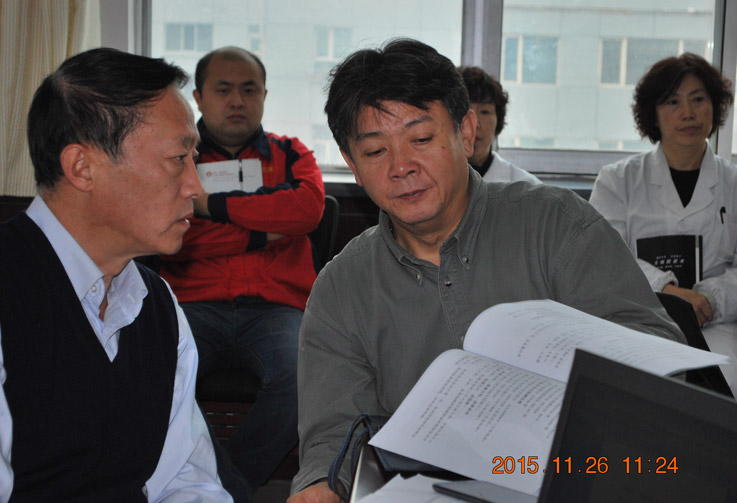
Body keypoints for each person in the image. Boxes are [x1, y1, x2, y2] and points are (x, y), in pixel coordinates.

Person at [288, 38, 684, 503]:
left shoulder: (556, 226)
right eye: (375, 151)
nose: (401, 167)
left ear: (467, 132)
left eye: (421, 139)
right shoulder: (341, 289)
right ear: (352, 165)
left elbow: (658, 359)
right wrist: (321, 484)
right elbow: (335, 435)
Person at [0, 48, 231, 502]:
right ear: (82, 167)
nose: (195, 186)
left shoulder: (157, 304)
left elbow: (187, 480)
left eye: (194, 158)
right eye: (177, 158)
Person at [159, 46, 325, 493]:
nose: (237, 101)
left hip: (279, 309)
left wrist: (209, 206)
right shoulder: (175, 159)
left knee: (305, 375)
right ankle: (224, 487)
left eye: (249, 90)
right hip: (194, 305)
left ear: (264, 95)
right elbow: (178, 240)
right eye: (223, 90)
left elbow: (308, 209)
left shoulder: (290, 153)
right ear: (198, 97)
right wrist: (263, 233)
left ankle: (226, 489)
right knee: (157, 372)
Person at [589, 53, 737, 398]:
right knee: (636, 397)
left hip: (717, 325)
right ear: (653, 114)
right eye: (673, 102)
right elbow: (605, 258)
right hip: (638, 318)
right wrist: (668, 292)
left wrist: (709, 300)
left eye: (698, 99)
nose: (687, 113)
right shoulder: (617, 181)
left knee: (719, 394)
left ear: (715, 107)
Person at [458, 65, 541, 184]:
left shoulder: (526, 186)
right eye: (466, 112)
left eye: (485, 112)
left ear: (498, 120)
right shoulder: (431, 180)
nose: (475, 124)